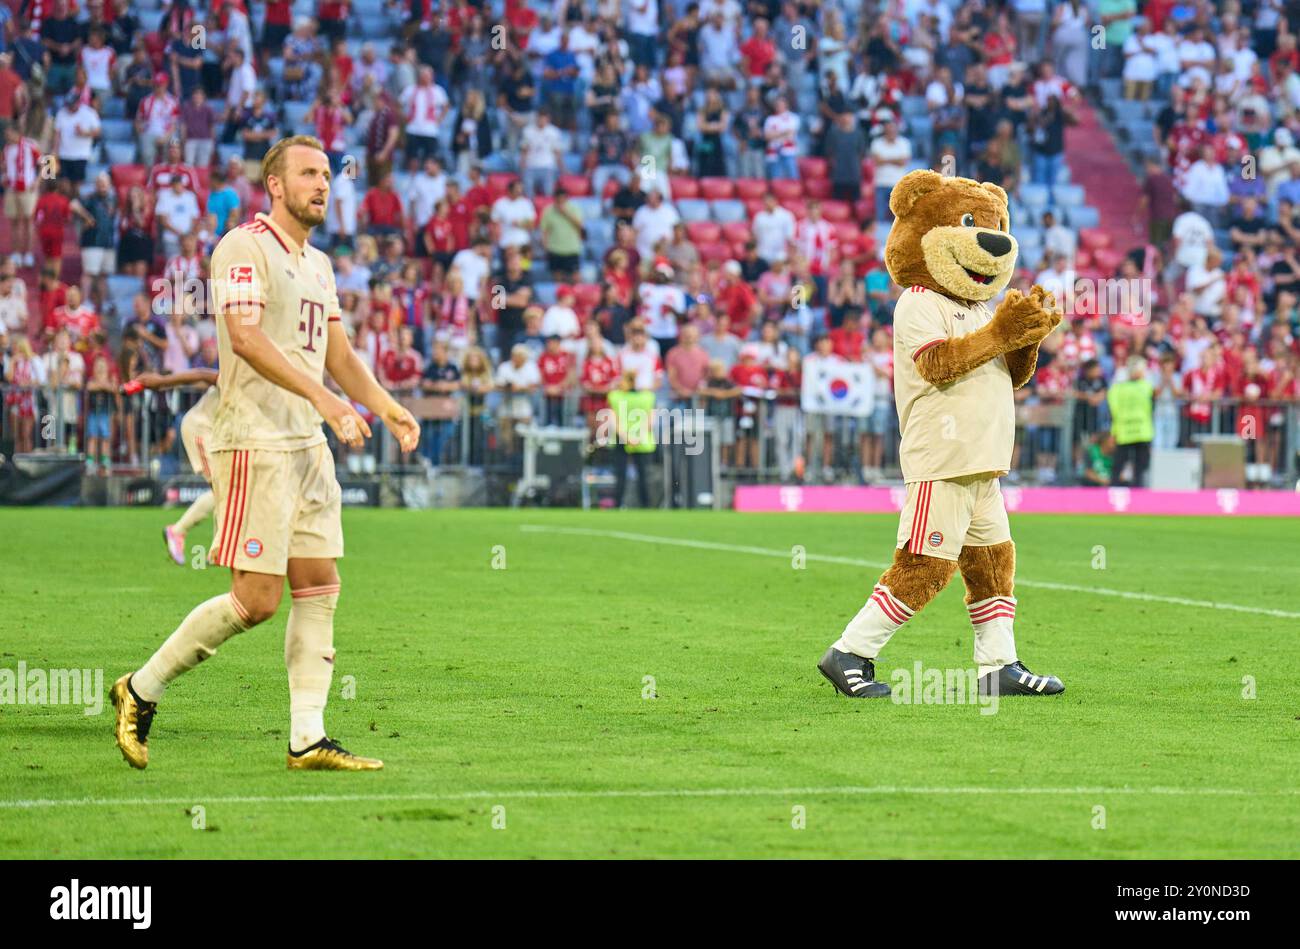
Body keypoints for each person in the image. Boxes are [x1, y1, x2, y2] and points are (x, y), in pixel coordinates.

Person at [111, 135, 420, 773]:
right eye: (308, 173)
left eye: (328, 174)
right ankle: (141, 688)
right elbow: (246, 339)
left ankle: (308, 738)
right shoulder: (243, 246)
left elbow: (339, 355)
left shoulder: (319, 264)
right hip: (255, 440)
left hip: (308, 445)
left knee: (319, 586)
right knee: (256, 599)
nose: (322, 184)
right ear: (274, 184)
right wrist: (329, 401)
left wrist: (383, 404)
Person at [131, 368, 221, 565]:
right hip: (202, 429)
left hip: (218, 433)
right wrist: (162, 381)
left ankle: (218, 549)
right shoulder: (244, 371)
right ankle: (179, 532)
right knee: (222, 489)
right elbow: (202, 375)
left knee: (229, 489)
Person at [607, 367, 655, 508]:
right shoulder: (648, 397)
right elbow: (650, 420)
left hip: (621, 439)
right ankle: (647, 506)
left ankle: (617, 505)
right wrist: (638, 436)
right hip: (642, 440)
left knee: (620, 475)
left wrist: (626, 437)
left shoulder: (615, 396)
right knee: (644, 476)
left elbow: (612, 420)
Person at [1107, 356, 1154, 487]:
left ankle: (1114, 492)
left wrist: (1113, 432)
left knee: (1118, 465)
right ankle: (1137, 494)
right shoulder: (1146, 387)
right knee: (1140, 467)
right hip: (1141, 431)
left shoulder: (1117, 389)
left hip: (1124, 431)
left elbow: (1114, 411)